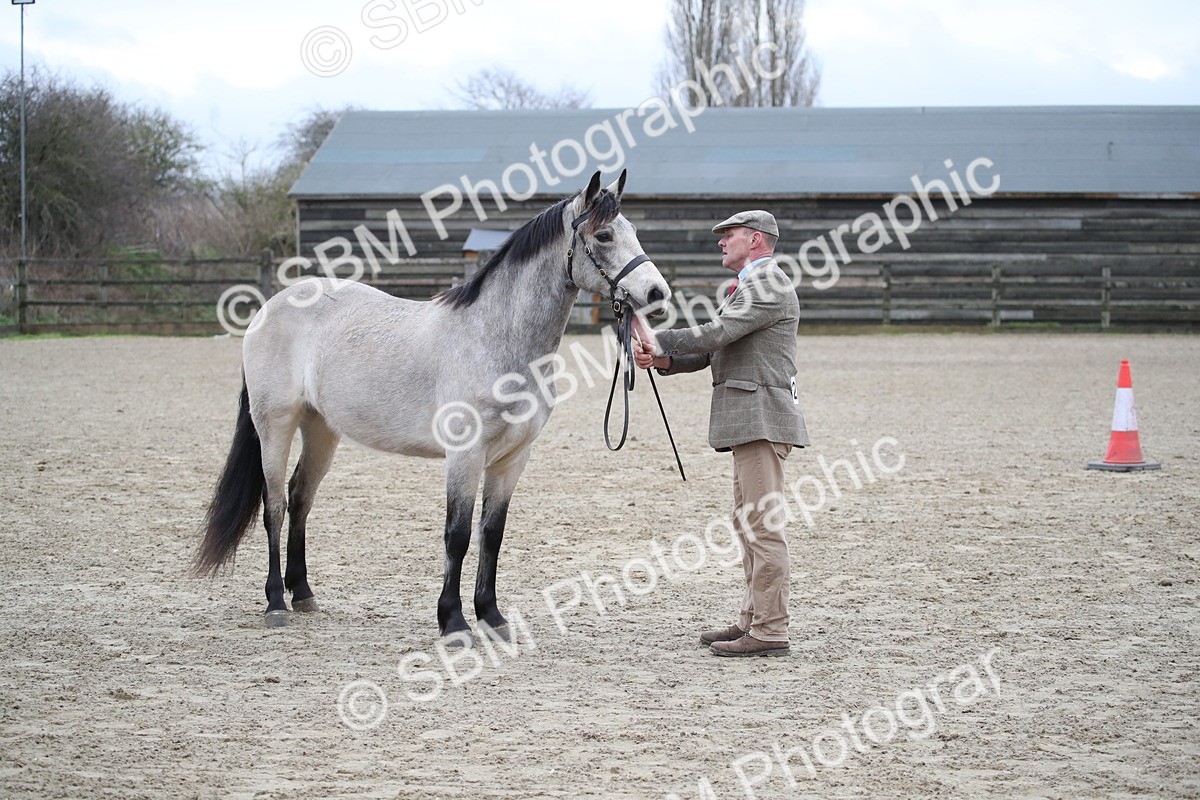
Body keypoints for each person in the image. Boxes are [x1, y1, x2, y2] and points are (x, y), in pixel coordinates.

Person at [632, 210, 809, 657]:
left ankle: (770, 630)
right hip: (751, 421)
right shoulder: (751, 286)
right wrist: (665, 360)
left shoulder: (767, 283)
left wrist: (659, 339)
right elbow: (719, 350)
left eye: (727, 235)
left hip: (761, 419)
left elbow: (717, 333)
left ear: (754, 240)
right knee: (748, 523)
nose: (720, 242)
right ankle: (754, 620)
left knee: (763, 527)